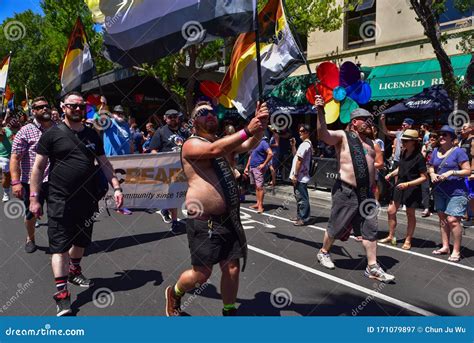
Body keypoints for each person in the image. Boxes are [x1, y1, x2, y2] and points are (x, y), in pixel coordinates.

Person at [164, 101, 269, 316]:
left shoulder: (222, 142)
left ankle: (229, 311)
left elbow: (250, 144)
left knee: (232, 267)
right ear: (194, 123)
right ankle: (175, 293)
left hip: (227, 218)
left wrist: (261, 126)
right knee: (201, 274)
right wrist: (248, 128)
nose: (210, 115)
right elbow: (214, 149)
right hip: (203, 220)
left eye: (213, 112)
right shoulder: (191, 144)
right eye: (203, 113)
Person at [29, 91, 124, 316]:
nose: (78, 110)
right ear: (63, 107)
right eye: (73, 106)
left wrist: (117, 187)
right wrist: (34, 197)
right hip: (59, 198)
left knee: (81, 239)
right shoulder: (52, 134)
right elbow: (38, 167)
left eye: (82, 106)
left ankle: (75, 269)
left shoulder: (92, 135)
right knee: (60, 245)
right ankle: (62, 294)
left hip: (87, 198)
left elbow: (104, 163)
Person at [316, 98, 395, 283]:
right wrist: (320, 112)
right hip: (346, 190)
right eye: (366, 120)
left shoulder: (371, 144)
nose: (370, 123)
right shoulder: (343, 137)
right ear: (355, 122)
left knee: (371, 229)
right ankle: (324, 252)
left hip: (365, 193)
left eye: (371, 120)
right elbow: (323, 135)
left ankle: (372, 266)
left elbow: (375, 167)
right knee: (336, 225)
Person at [10, 97, 53, 253]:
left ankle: (57, 243)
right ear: (33, 111)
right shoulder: (25, 131)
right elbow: (15, 158)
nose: (44, 109)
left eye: (46, 106)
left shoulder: (59, 128)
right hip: (31, 182)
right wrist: (15, 182)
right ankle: (31, 238)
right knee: (31, 213)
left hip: (55, 181)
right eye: (40, 107)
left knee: (57, 213)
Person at [428, 125, 470, 262]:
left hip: (457, 191)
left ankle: (456, 250)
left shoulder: (459, 152)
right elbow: (430, 166)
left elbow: (467, 171)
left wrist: (452, 172)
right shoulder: (435, 151)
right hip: (440, 190)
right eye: (440, 134)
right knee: (443, 219)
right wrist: (433, 174)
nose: (441, 137)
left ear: (452, 138)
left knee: (453, 220)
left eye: (445, 135)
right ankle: (445, 246)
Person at [380, 130, 427, 250]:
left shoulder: (419, 157)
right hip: (400, 184)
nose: (403, 142)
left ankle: (408, 239)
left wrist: (408, 184)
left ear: (414, 142)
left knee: (410, 214)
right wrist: (391, 174)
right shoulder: (403, 152)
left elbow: (423, 177)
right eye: (403, 140)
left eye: (406, 141)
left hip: (412, 187)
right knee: (391, 211)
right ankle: (391, 235)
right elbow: (401, 168)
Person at [150, 109, 189, 232]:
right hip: (167, 169)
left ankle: (165, 209)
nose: (172, 118)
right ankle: (175, 222)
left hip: (183, 167)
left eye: (175, 116)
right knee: (173, 195)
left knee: (181, 194)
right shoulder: (160, 132)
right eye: (170, 117)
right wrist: (159, 162)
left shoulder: (184, 132)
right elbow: (153, 150)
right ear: (165, 118)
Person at [289, 124, 313, 226]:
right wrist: (293, 145)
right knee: (299, 197)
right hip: (300, 175)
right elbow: (296, 157)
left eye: (302, 131)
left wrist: (295, 175)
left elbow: (299, 161)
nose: (300, 133)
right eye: (299, 131)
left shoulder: (305, 145)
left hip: (300, 176)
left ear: (307, 133)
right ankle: (300, 216)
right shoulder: (305, 144)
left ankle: (304, 218)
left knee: (302, 198)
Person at [244, 136, 273, 213]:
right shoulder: (254, 144)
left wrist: (264, 164)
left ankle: (260, 206)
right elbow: (250, 156)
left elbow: (270, 153)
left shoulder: (263, 143)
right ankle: (257, 203)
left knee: (260, 187)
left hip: (258, 168)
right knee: (256, 186)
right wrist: (247, 167)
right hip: (252, 167)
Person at [0, 113, 21, 202]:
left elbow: (13, 139)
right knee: (6, 175)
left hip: (13, 155)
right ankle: (6, 193)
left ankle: (18, 189)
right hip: (3, 157)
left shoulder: (8, 129)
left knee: (15, 174)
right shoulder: (2, 130)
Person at [458, 122, 474, 227]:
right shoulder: (462, 140)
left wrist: (472, 172)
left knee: (471, 195)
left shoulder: (473, 141)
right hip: (462, 172)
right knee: (465, 194)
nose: (462, 129)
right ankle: (467, 216)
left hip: (470, 172)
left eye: (464, 128)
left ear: (471, 129)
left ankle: (472, 218)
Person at [421, 133, 439, 217]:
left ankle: (436, 207)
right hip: (426, 170)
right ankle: (426, 208)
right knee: (425, 188)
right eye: (430, 137)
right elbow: (422, 157)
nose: (432, 139)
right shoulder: (426, 147)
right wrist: (426, 148)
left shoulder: (440, 148)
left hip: (437, 171)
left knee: (435, 189)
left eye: (434, 138)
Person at [268, 126, 280, 194]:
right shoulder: (273, 134)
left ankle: (273, 180)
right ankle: (273, 180)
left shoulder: (275, 135)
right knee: (272, 166)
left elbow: (277, 144)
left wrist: (270, 145)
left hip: (274, 151)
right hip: (274, 151)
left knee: (271, 166)